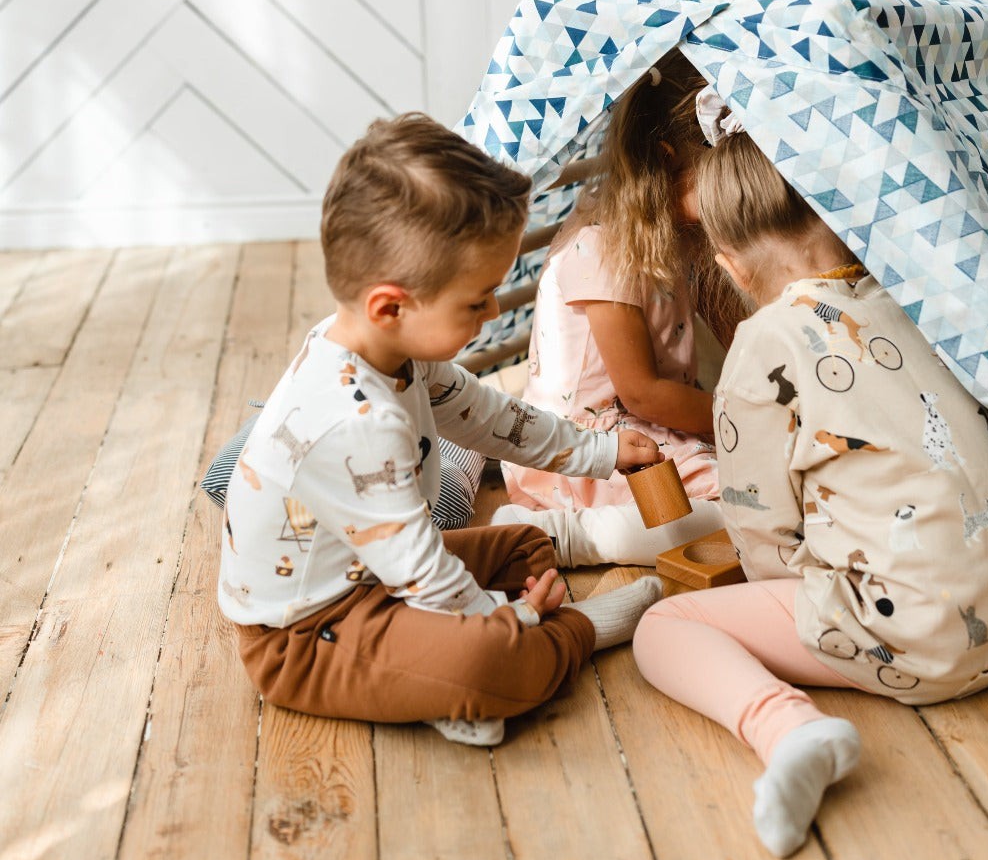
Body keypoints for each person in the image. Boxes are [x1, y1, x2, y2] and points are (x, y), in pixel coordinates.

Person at [632, 122, 988, 856]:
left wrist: (784, 602)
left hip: (919, 640)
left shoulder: (762, 345)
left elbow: (761, 533)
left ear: (731, 267)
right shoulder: (915, 303)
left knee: (662, 629)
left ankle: (788, 729)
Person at [217, 114, 665, 747]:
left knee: (526, 550)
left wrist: (605, 451)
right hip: (305, 635)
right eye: (477, 299)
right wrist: (511, 619)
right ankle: (580, 632)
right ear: (391, 306)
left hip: (377, 576)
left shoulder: (392, 351)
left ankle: (430, 682)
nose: (492, 311)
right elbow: (424, 574)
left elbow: (491, 420)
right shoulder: (354, 426)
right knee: (495, 662)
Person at [490, 49, 744, 566]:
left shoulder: (672, 233)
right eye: (714, 182)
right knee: (744, 504)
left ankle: (575, 531)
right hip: (590, 446)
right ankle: (564, 537)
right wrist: (743, 419)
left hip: (651, 427)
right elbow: (643, 394)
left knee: (758, 478)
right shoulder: (603, 245)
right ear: (668, 159)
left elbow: (732, 336)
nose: (725, 198)